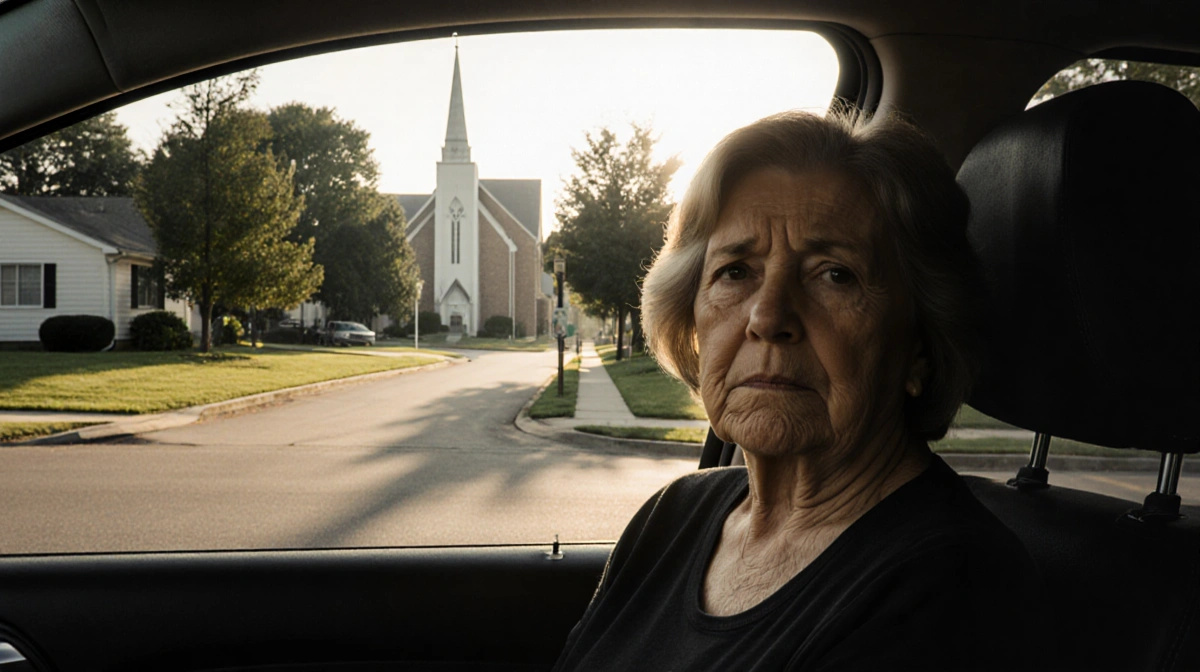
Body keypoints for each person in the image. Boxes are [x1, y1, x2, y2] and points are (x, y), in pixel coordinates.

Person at [551, 110, 1045, 671]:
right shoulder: (675, 515)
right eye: (736, 271)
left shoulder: (952, 591)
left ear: (920, 343)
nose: (767, 317)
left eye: (835, 274)